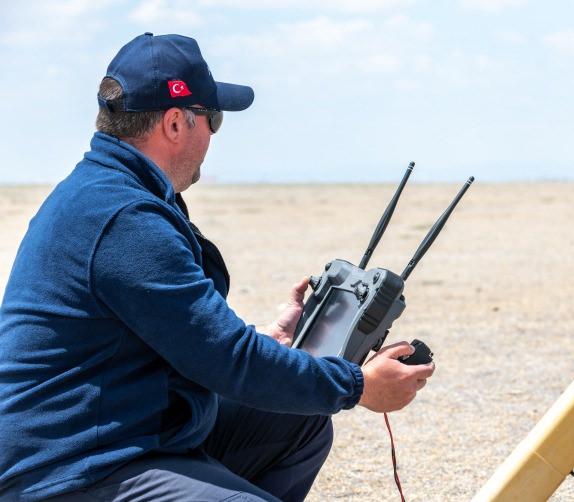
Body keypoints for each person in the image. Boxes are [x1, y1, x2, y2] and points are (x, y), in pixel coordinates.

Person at [0, 33, 434, 502]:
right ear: (174, 123)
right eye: (214, 119)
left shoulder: (110, 192)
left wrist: (270, 344)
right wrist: (358, 387)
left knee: (299, 422)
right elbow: (228, 361)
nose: (212, 136)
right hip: (67, 469)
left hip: (123, 432)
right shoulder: (123, 219)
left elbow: (196, 341)